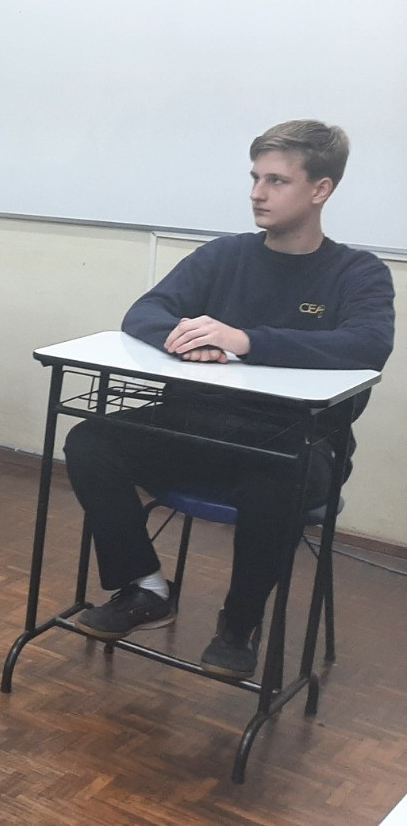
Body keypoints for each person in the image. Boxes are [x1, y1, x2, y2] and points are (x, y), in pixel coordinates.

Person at [64, 120, 394, 679]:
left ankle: (239, 624)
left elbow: (366, 345)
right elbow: (145, 313)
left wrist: (245, 341)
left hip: (295, 442)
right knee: (91, 440)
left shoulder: (356, 272)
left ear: (321, 189)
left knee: (278, 476)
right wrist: (186, 339)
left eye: (276, 180)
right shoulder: (223, 256)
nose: (257, 193)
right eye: (255, 178)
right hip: (196, 425)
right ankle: (146, 588)